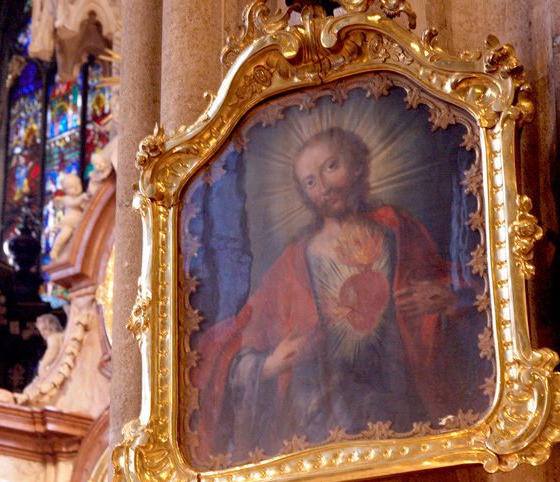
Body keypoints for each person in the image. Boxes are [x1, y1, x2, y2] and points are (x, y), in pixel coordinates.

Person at [193, 128, 486, 463]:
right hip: (323, 420)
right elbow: (235, 337)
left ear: (357, 166)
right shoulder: (293, 262)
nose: (324, 187)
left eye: (331, 167)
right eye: (310, 182)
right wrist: (270, 364)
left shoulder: (397, 230)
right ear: (304, 196)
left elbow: (467, 288)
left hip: (404, 407)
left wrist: (447, 299)